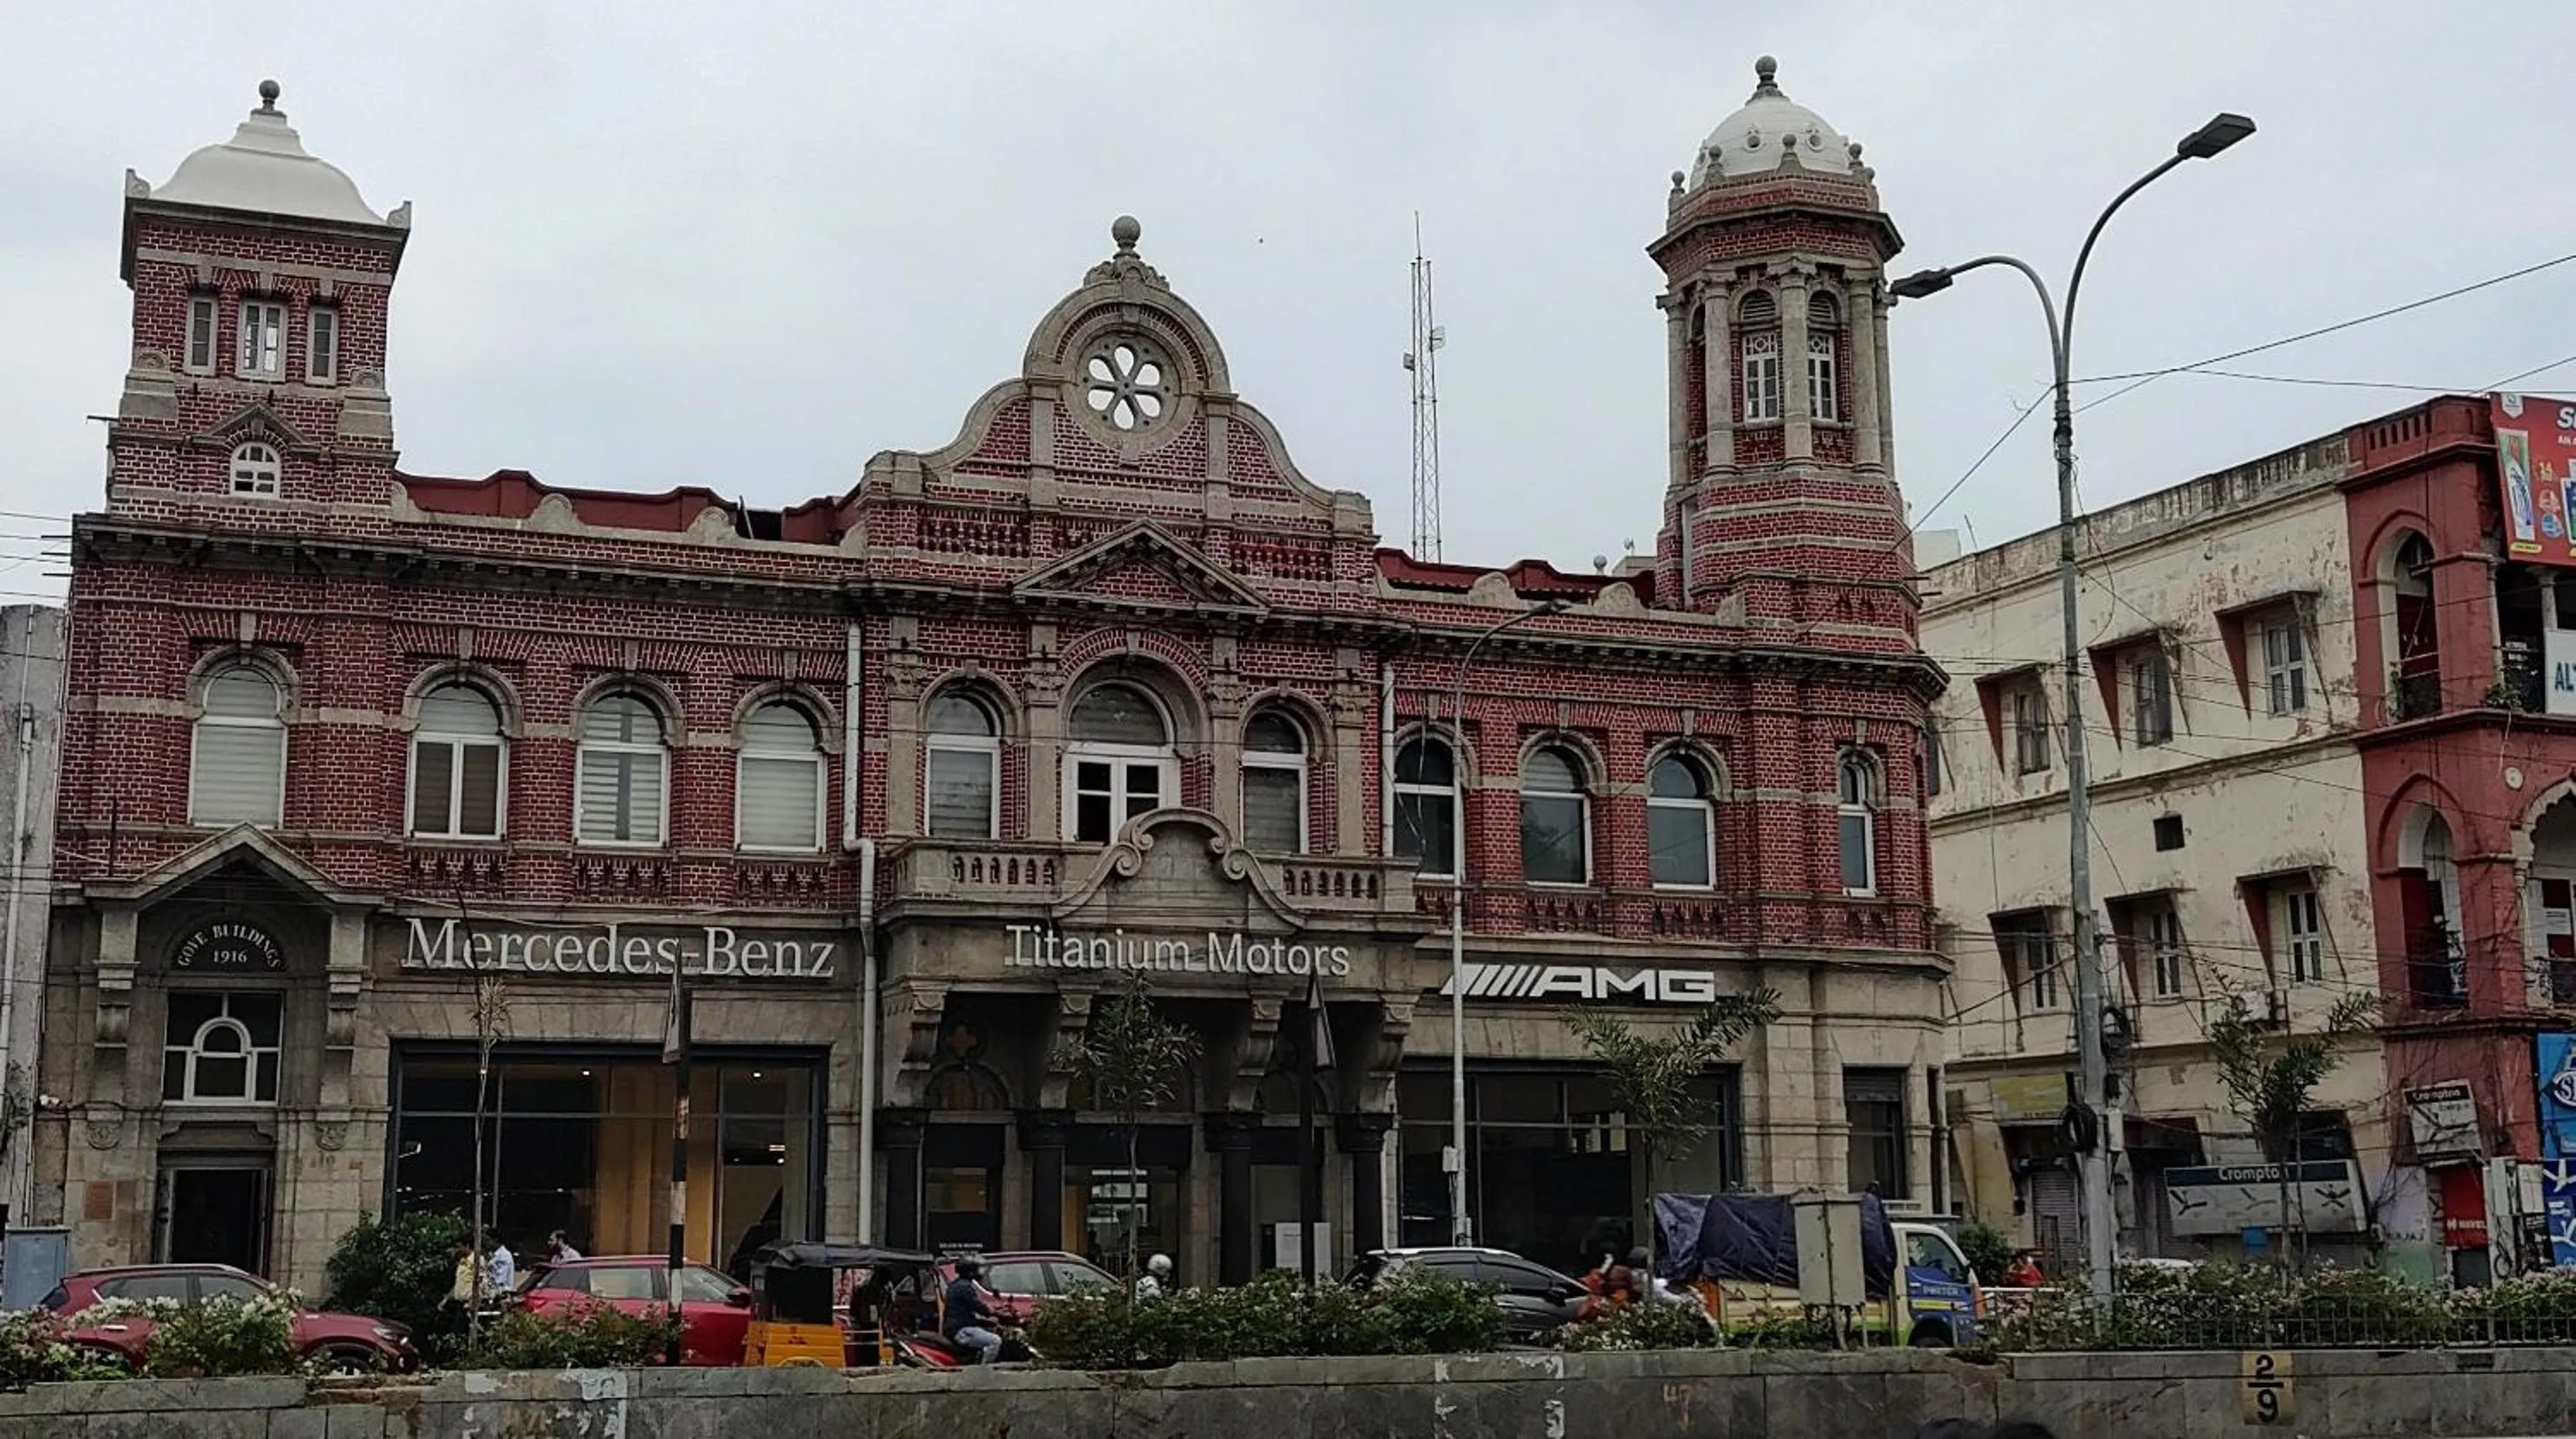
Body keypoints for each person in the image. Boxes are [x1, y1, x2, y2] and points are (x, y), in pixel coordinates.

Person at [943, 1255, 1004, 1365]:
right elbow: (978, 1306)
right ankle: (982, 1371)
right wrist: (992, 1311)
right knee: (995, 1341)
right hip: (961, 1330)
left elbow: (970, 1309)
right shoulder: (964, 1287)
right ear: (970, 1271)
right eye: (976, 1269)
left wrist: (986, 1320)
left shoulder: (957, 1284)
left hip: (958, 1327)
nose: (979, 1272)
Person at [447, 1241, 480, 1309]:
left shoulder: (477, 1259)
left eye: (458, 1247)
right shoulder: (462, 1261)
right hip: (459, 1302)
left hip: (470, 1303)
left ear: (467, 1246)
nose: (457, 1250)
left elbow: (481, 1281)